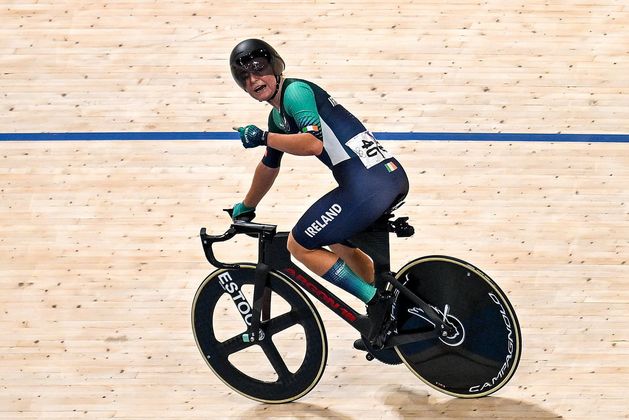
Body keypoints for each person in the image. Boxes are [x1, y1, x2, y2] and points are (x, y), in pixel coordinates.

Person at [228, 38, 409, 345]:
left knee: (299, 244)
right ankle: (386, 310)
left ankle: (376, 303)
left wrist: (261, 137)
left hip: (366, 186)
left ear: (275, 67)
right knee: (337, 241)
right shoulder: (276, 117)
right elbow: (269, 165)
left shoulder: (296, 93)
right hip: (384, 178)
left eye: (259, 70)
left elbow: (313, 144)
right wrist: (246, 205)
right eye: (245, 77)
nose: (254, 80)